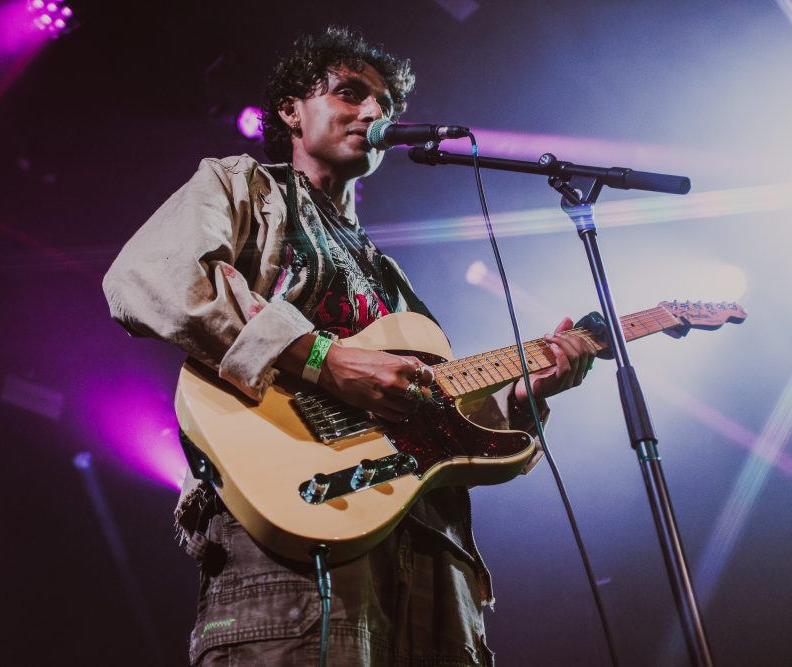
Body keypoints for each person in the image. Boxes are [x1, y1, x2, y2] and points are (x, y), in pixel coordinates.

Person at [103, 26, 595, 666]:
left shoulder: (391, 279)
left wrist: (520, 396)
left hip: (428, 547)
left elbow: (438, 419)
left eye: (386, 105)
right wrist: (321, 358)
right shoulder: (246, 187)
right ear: (291, 111)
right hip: (298, 524)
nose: (374, 113)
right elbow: (148, 279)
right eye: (349, 93)